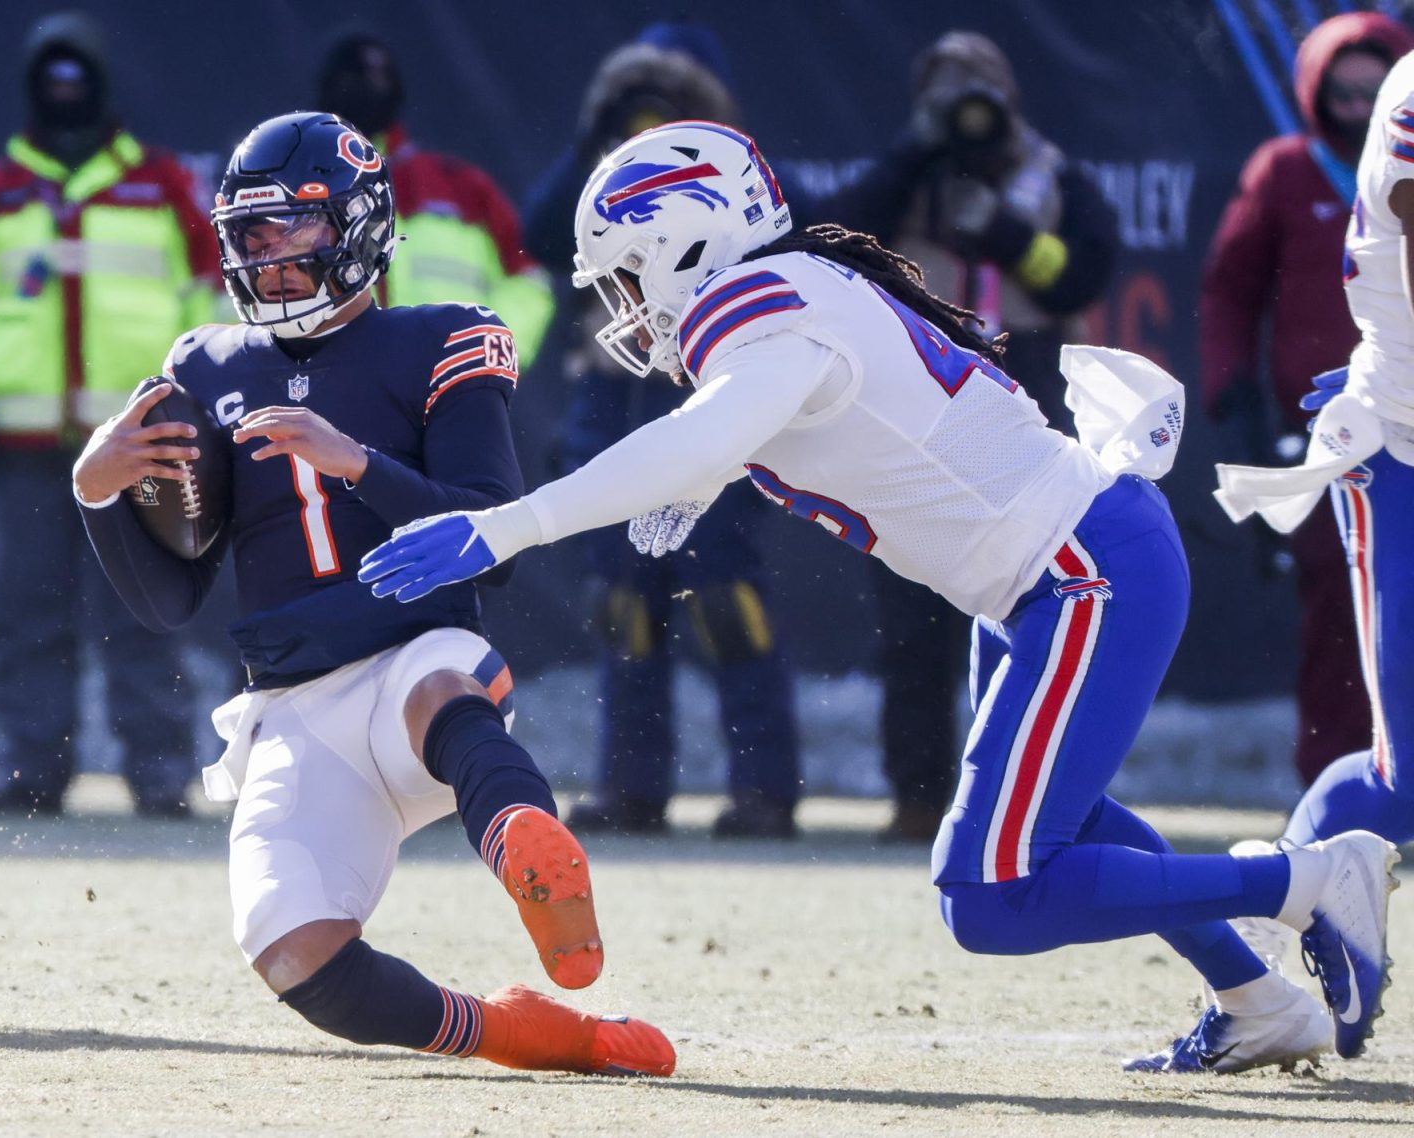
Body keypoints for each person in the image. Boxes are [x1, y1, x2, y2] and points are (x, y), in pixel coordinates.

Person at [361, 120, 1400, 1072]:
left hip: (1081, 569)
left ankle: (1309, 882)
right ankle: (1259, 1000)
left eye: (629, 275)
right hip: (1051, 572)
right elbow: (784, 415)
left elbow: (713, 429)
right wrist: (699, 475)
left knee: (989, 894)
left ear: (685, 239)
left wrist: (508, 523)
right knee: (1061, 824)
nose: (629, 309)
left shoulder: (754, 304)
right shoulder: (794, 292)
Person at [69, 112, 674, 1076]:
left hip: (412, 652)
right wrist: (96, 493)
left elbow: (494, 543)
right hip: (292, 709)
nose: (268, 259)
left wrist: (358, 465)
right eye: (251, 236)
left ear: (357, 225)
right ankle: (520, 1031)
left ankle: (527, 844)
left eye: (294, 229)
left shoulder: (442, 338)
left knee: (445, 695)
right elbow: (170, 603)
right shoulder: (204, 366)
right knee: (292, 953)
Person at [0, 11, 218, 817]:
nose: (66, 87)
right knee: (25, 614)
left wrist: (201, 403)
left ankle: (161, 773)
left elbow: (205, 303)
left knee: (146, 610)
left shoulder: (161, 186)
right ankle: (31, 769)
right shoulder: (0, 192)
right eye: (50, 73)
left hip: (138, 441)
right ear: (31, 88)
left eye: (77, 70)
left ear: (101, 83)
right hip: (26, 444)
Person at [832, 30, 1119, 842]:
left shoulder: (1052, 173)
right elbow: (832, 240)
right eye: (944, 92)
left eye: (978, 92)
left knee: (1040, 602)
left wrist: (1006, 233)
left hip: (1025, 390)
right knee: (910, 608)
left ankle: (1038, 798)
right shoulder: (900, 177)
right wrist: (913, 155)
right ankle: (919, 795)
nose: (965, 109)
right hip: (922, 397)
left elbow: (1084, 274)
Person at [522, 25, 801, 839]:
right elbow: (540, 234)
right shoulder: (598, 176)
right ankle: (632, 787)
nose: (651, 119)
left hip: (714, 391)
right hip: (612, 394)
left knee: (727, 593)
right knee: (623, 598)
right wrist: (596, 140)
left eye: (672, 103)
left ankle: (766, 790)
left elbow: (784, 252)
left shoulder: (740, 181)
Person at [1201, 12, 1413, 788]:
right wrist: (1235, 396)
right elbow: (1228, 291)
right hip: (1340, 430)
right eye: (1342, 92)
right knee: (1343, 619)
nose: (1358, 109)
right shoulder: (1286, 171)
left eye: (1371, 90)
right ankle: (1341, 789)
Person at [315, 29, 553, 367]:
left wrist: (486, 356)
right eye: (353, 81)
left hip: (448, 391)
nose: (367, 92)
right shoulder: (299, 188)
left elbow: (529, 281)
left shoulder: (461, 186)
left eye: (380, 81)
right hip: (328, 388)